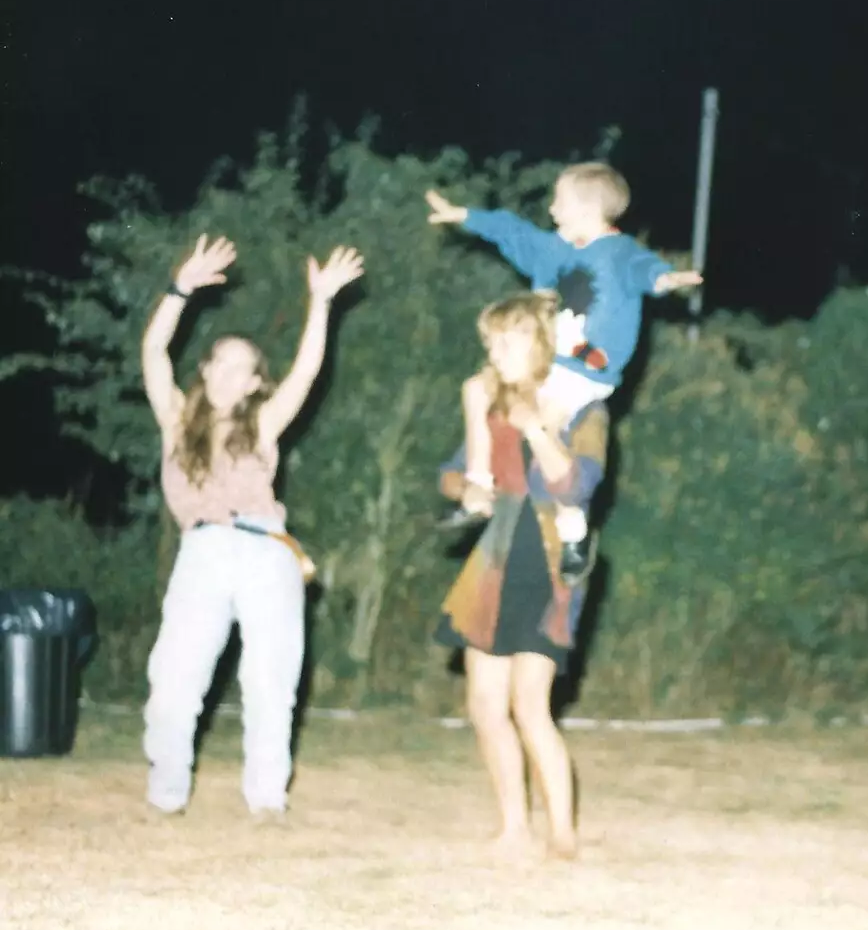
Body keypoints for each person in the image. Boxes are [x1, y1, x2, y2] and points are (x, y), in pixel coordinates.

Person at [139, 235, 365, 819]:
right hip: (203, 552)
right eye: (222, 361)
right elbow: (155, 349)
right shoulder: (174, 419)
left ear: (252, 384)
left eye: (245, 368)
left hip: (266, 551)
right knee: (173, 680)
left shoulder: (263, 424)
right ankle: (167, 792)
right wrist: (179, 287)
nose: (229, 373)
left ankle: (266, 799)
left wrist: (320, 303)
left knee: (271, 681)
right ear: (208, 369)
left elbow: (307, 370)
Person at [424, 164, 700, 578]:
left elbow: (644, 270)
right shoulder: (553, 250)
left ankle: (574, 531)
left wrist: (664, 279)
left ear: (589, 208)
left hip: (585, 375)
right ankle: (476, 487)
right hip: (541, 364)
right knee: (477, 388)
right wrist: (466, 216)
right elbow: (511, 231)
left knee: (545, 424)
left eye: (560, 201)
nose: (552, 209)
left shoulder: (618, 253)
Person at [434, 292, 609, 860]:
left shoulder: (584, 406)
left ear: (541, 342)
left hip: (553, 558)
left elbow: (576, 486)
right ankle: (513, 827)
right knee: (485, 704)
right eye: (490, 341)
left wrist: (537, 429)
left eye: (507, 339)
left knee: (530, 703)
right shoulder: (485, 399)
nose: (495, 351)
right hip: (496, 555)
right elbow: (450, 473)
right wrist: (467, 488)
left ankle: (563, 834)